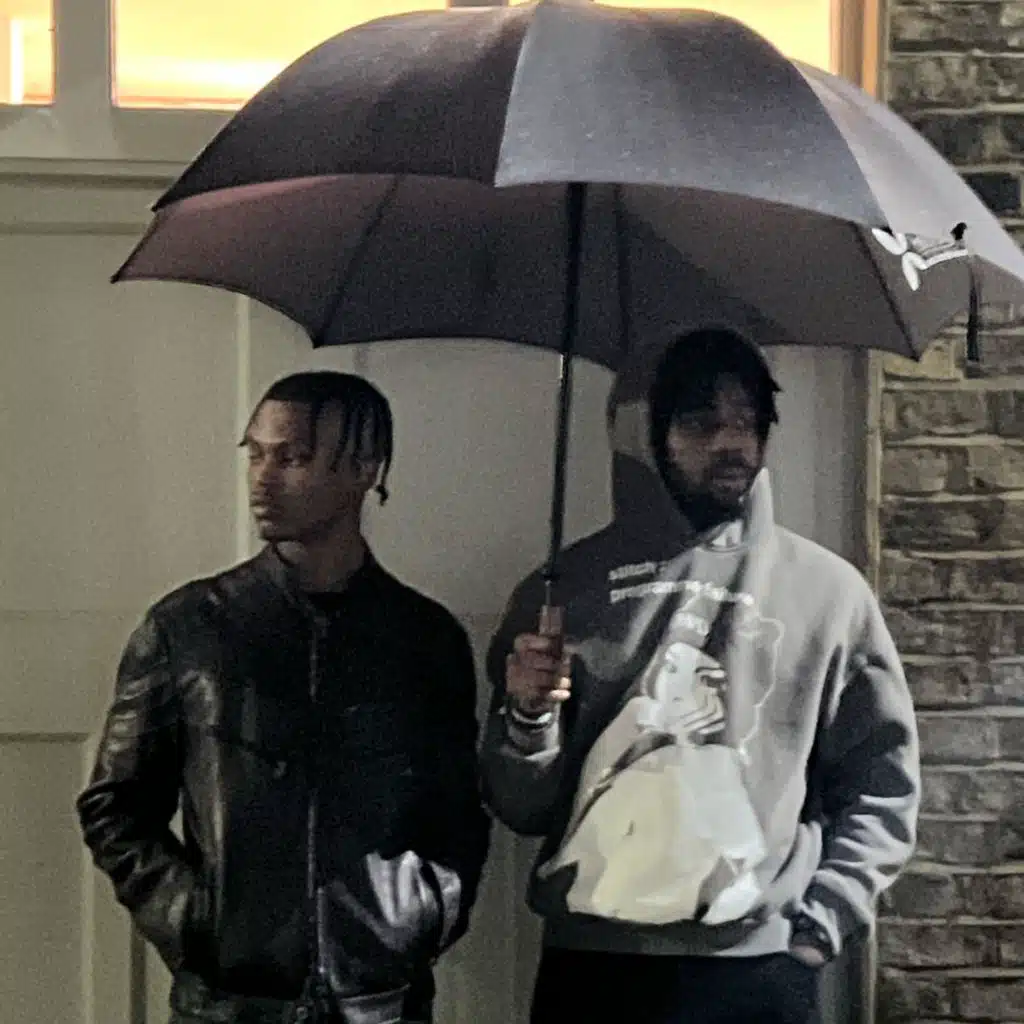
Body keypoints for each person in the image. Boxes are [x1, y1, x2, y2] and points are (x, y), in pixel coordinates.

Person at [480, 328, 920, 1024]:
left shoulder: (828, 593)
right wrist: (529, 717)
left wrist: (824, 919)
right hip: (594, 968)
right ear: (648, 435)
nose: (731, 443)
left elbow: (881, 781)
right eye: (701, 422)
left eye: (748, 422)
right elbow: (521, 808)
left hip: (758, 972)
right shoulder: (564, 590)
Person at [77, 371, 491, 1024]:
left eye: (293, 457)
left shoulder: (426, 640)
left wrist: (422, 915)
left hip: (380, 1005)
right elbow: (115, 805)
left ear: (364, 470)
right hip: (226, 1005)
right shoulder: (188, 627)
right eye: (256, 454)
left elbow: (458, 814)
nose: (263, 479)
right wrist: (191, 919)